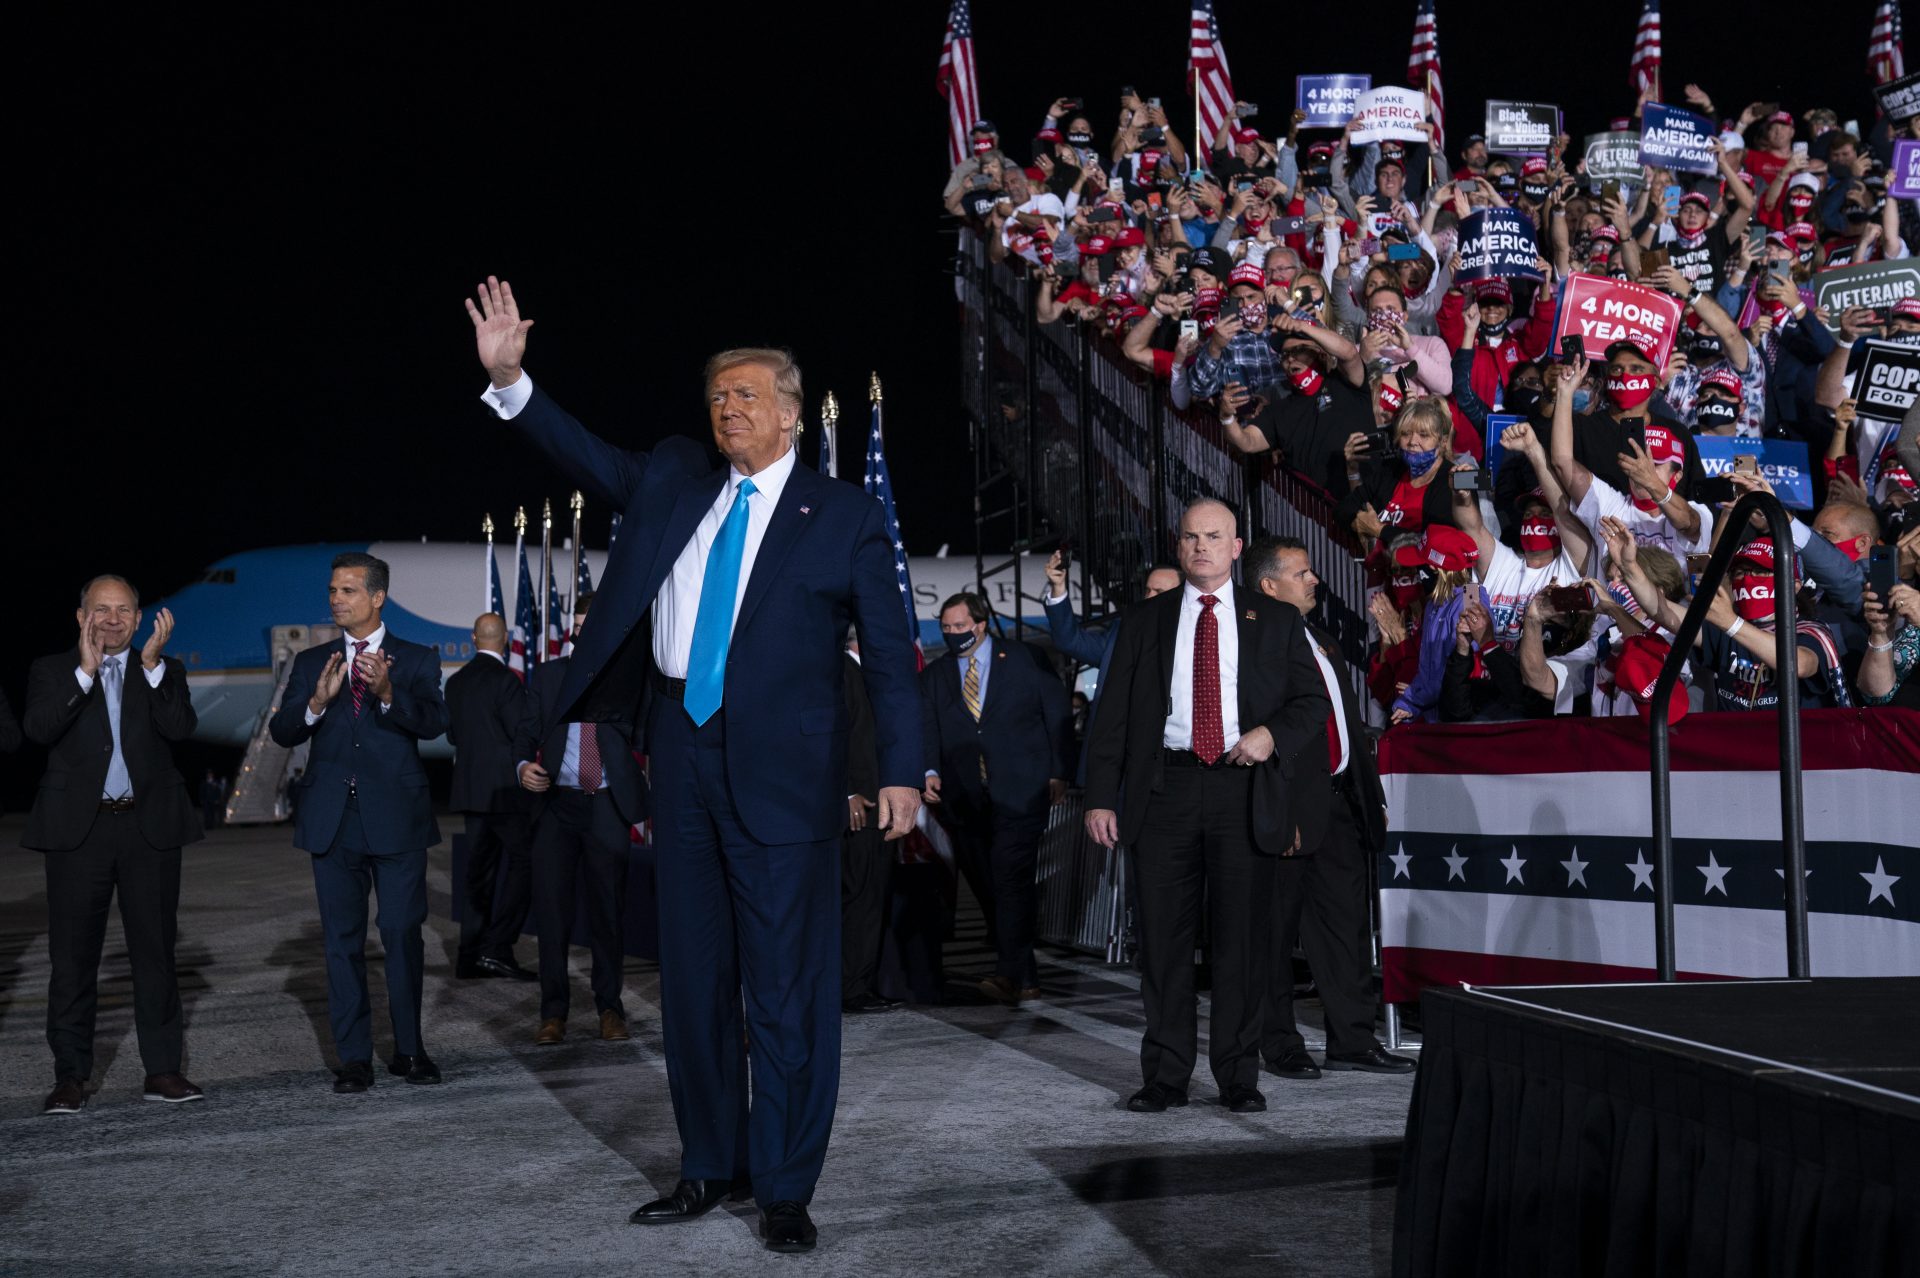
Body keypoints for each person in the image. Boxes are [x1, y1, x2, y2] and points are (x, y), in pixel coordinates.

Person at [467, 277, 923, 1254]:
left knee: (787, 988)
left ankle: (787, 1184)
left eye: (749, 394)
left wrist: (899, 771)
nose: (728, 408)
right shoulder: (675, 477)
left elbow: (889, 659)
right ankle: (709, 1165)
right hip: (679, 750)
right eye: (718, 395)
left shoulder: (842, 515)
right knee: (695, 980)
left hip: (785, 770)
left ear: (793, 414)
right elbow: (583, 454)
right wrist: (513, 382)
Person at [1084, 499, 1330, 1115]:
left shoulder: (1274, 619)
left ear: (1236, 547)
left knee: (1241, 944)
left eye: (1213, 536)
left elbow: (1311, 701)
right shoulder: (1144, 621)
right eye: (1191, 537)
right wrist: (1098, 798)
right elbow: (1111, 715)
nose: (1201, 547)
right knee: (1163, 944)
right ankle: (1165, 1076)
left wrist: (1271, 735)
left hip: (1241, 791)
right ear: (1179, 545)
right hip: (1163, 791)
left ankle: (1237, 1076)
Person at [267, 552, 449, 1094]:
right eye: (332, 591)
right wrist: (316, 706)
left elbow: (436, 723)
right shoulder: (311, 662)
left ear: (376, 597)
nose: (335, 600)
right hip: (332, 820)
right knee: (340, 942)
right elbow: (282, 732)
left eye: (347, 591)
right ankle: (354, 1059)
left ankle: (410, 1050)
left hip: (397, 818)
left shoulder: (415, 658)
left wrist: (390, 695)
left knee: (400, 934)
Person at [23, 576, 202, 1115]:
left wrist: (151, 668)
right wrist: (85, 673)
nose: (113, 618)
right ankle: (70, 1077)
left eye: (124, 609)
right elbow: (37, 728)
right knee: (73, 960)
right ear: (82, 616)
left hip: (149, 831)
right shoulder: (52, 671)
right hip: (79, 833)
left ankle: (163, 1071)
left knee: (155, 955)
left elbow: (180, 727)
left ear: (140, 617)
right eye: (101, 609)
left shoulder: (164, 670)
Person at [1245, 538, 1411, 1078]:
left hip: (1340, 804)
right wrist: (1281, 811)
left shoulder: (1319, 639)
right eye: (1303, 573)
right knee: (1274, 934)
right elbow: (1263, 732)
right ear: (1269, 586)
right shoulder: (1252, 645)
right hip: (1288, 811)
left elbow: (1347, 725)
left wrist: (1369, 795)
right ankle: (1280, 1043)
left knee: (1344, 928)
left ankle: (1352, 1040)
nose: (1315, 580)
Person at [921, 591, 1072, 1005]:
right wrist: (930, 771)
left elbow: (1055, 714)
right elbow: (928, 728)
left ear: (981, 624)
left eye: (959, 627)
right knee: (992, 886)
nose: (952, 634)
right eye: (947, 628)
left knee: (1009, 877)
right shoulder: (936, 677)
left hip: (1020, 792)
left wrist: (1060, 771)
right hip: (965, 798)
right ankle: (1026, 976)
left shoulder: (1024, 660)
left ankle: (1009, 973)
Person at [516, 592, 646, 1045]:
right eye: (577, 623)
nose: (581, 630)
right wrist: (521, 766)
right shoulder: (550, 678)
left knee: (608, 914)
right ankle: (553, 1014)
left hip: (608, 806)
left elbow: (647, 734)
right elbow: (524, 732)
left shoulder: (626, 680)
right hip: (556, 805)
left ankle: (610, 1009)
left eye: (591, 622)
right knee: (552, 915)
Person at [444, 611, 535, 982]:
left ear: (473, 637)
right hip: (504, 794)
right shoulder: (506, 682)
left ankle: (470, 957)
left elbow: (452, 736)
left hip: (469, 791)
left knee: (477, 878)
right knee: (526, 864)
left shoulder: (456, 683)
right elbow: (521, 733)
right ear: (507, 640)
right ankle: (497, 948)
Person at [838, 633, 897, 1013]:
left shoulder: (868, 675)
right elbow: (829, 737)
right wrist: (844, 793)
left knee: (870, 898)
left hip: (878, 805)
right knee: (857, 899)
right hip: (856, 808)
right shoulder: (841, 671)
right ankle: (849, 988)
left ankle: (857, 983)